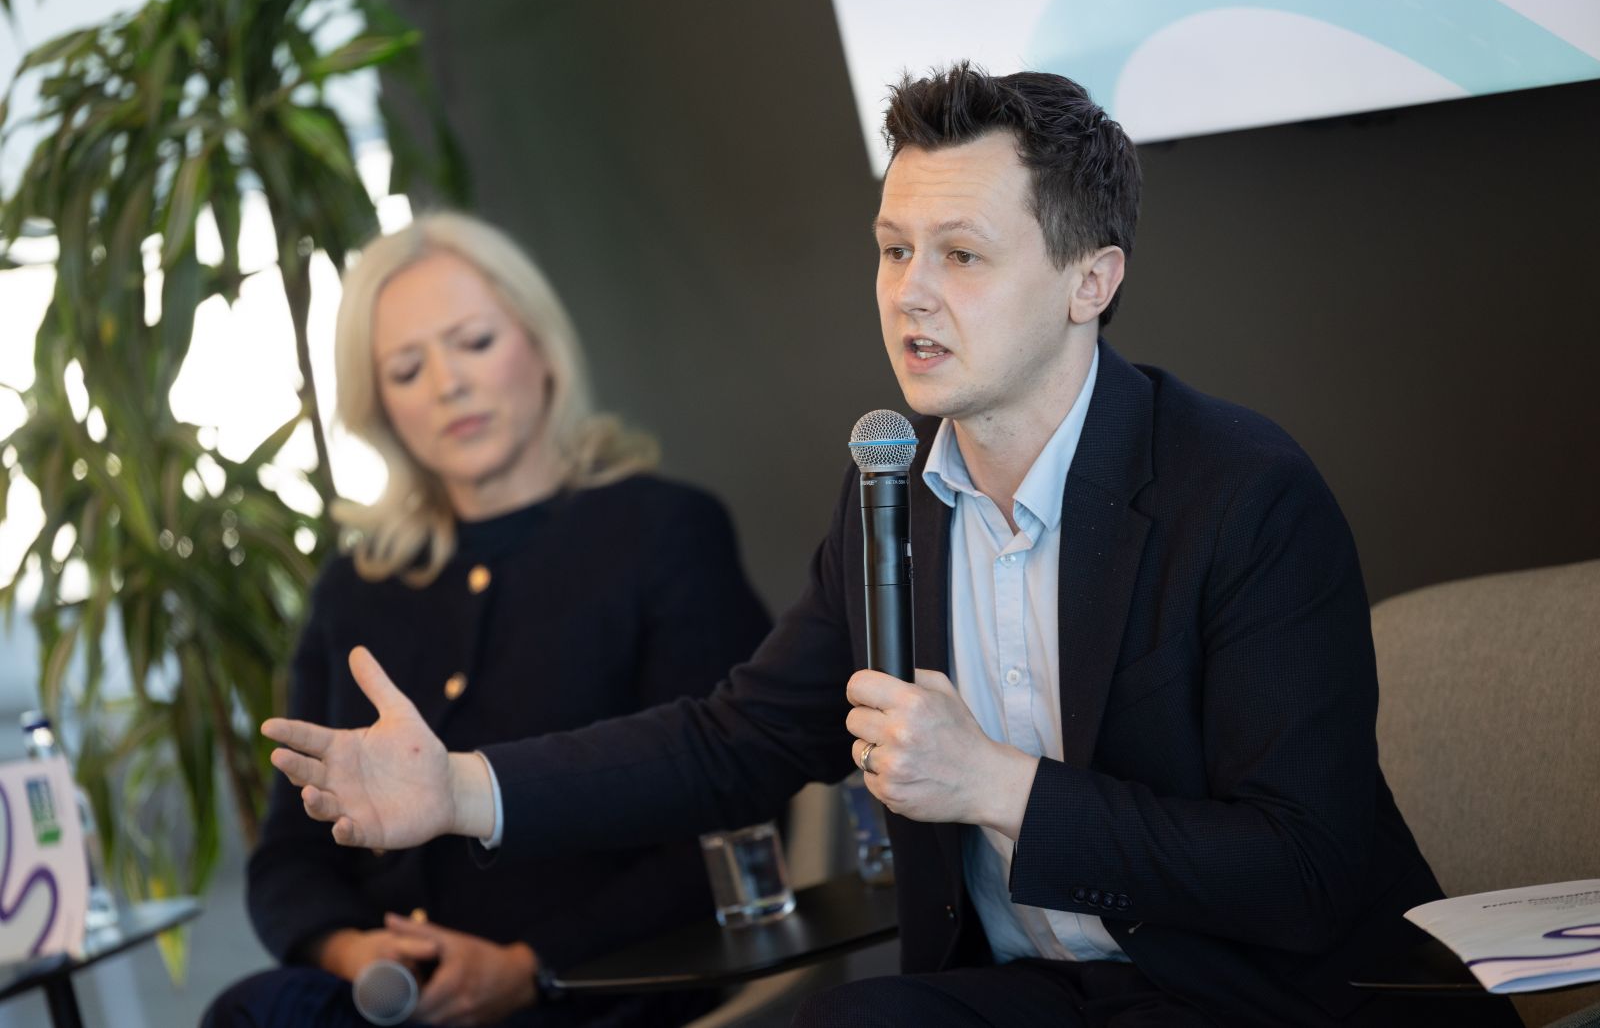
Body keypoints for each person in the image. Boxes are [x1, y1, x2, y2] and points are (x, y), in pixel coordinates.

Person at [263, 69, 1520, 1027]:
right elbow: (735, 738)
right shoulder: (892, 497)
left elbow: (1300, 870)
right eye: (893, 248)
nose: (909, 292)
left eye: (961, 255)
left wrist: (997, 786)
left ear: (1090, 279)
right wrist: (459, 790)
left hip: (1254, 990)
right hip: (1027, 990)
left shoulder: (1241, 494)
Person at [207, 212, 771, 1028]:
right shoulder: (351, 591)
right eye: (406, 368)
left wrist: (528, 965)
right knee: (254, 1011)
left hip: (606, 982)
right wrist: (353, 951)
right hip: (396, 1002)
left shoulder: (663, 532)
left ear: (540, 346)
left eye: (472, 342)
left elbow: (729, 808)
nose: (447, 385)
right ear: (382, 409)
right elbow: (290, 858)